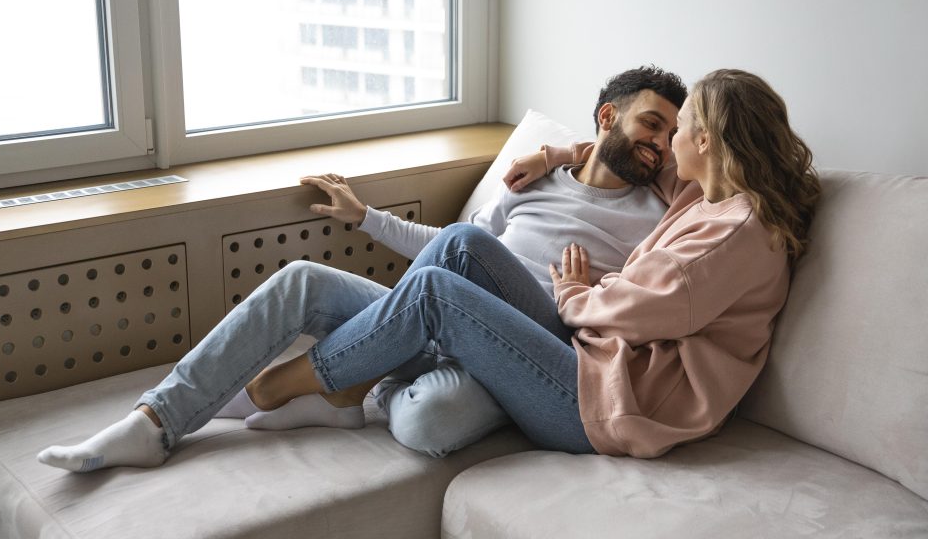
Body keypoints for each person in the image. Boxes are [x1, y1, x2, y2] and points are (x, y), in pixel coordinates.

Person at [37, 66, 690, 470]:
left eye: (668, 136)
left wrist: (568, 155)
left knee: (428, 411)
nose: (659, 145)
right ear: (607, 116)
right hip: (441, 319)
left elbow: (700, 197)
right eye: (649, 125)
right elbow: (451, 243)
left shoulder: (659, 207)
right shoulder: (535, 182)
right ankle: (155, 421)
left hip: (534, 341)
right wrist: (367, 218)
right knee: (305, 281)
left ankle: (333, 383)